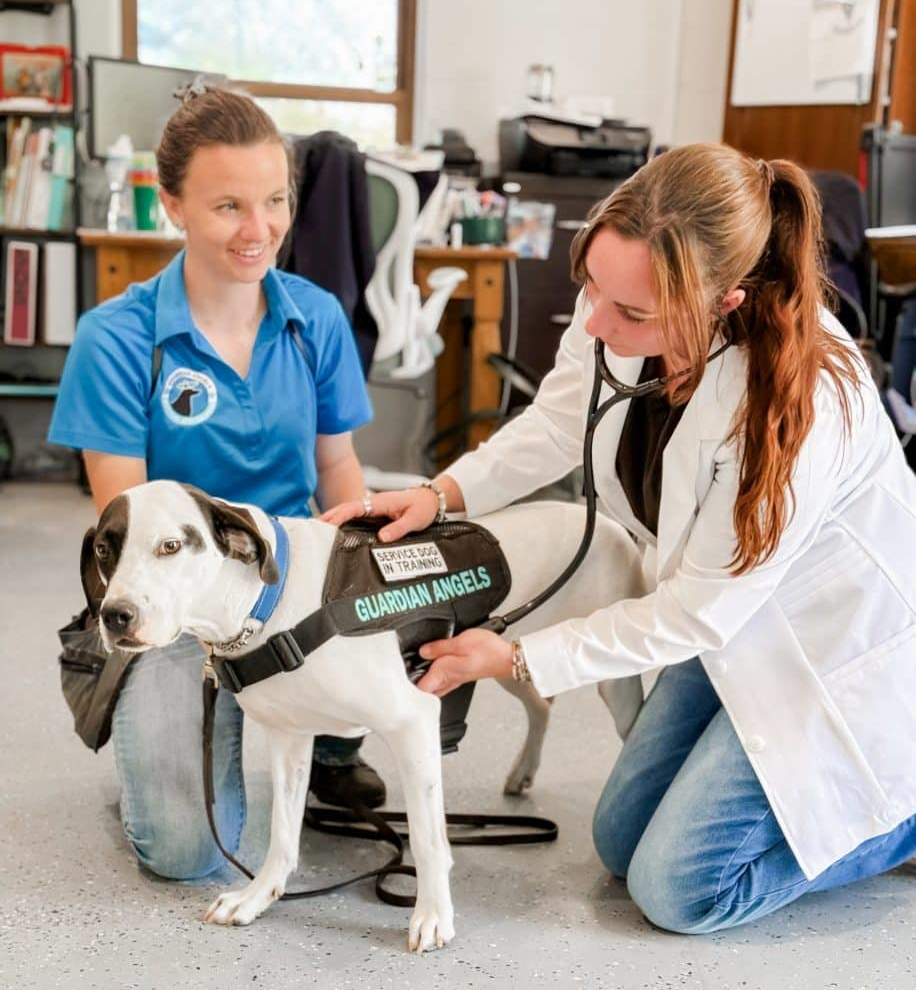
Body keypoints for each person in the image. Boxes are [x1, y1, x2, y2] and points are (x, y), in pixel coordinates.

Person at [322, 143, 916, 933]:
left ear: (727, 299)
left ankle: (898, 817)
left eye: (630, 313)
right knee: (617, 841)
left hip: (826, 648)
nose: (596, 323)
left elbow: (698, 611)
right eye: (592, 289)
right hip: (726, 630)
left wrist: (523, 656)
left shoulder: (803, 402)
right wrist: (440, 494)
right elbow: (559, 420)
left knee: (680, 891)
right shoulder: (625, 299)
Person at [48, 85, 386, 880]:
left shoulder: (317, 316)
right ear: (171, 205)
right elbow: (122, 527)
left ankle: (330, 741)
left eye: (275, 200)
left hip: (292, 578)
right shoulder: (116, 339)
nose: (259, 229)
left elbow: (337, 467)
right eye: (229, 205)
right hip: (177, 588)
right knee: (186, 851)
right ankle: (147, 728)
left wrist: (360, 576)